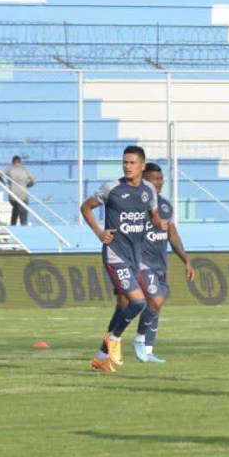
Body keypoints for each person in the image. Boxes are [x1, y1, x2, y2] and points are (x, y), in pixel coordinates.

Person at [79, 146, 167, 372]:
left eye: (132, 163)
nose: (127, 166)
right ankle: (115, 338)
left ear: (142, 166)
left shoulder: (148, 189)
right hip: (115, 254)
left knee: (124, 306)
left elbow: (152, 212)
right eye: (125, 162)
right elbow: (86, 207)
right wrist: (100, 233)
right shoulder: (112, 188)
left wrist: (158, 222)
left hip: (135, 257)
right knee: (138, 302)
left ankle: (100, 357)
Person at [127, 162, 195, 363]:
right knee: (155, 300)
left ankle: (148, 351)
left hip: (160, 265)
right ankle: (138, 340)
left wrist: (186, 261)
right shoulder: (135, 205)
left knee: (156, 306)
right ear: (144, 180)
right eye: (154, 179)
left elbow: (172, 236)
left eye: (160, 179)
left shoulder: (165, 206)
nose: (159, 183)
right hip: (141, 263)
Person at [4, 155, 36, 226]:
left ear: (13, 162)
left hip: (13, 196)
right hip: (23, 195)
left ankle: (13, 225)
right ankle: (23, 226)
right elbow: (33, 181)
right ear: (20, 162)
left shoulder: (9, 169)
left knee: (15, 209)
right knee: (23, 213)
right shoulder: (25, 169)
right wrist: (27, 185)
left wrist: (6, 182)